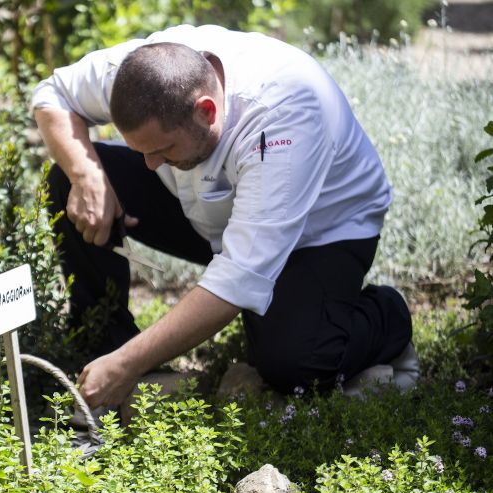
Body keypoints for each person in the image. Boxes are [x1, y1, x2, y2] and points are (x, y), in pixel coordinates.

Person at [31, 24, 415, 409]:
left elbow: (238, 277)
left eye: (162, 149)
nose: (149, 165)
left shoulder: (281, 119)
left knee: (294, 361)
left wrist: (128, 364)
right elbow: (52, 94)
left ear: (206, 111)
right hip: (207, 205)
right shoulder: (139, 73)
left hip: (320, 230)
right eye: (143, 151)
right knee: (69, 178)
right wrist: (88, 176)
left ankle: (388, 316)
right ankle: (102, 346)